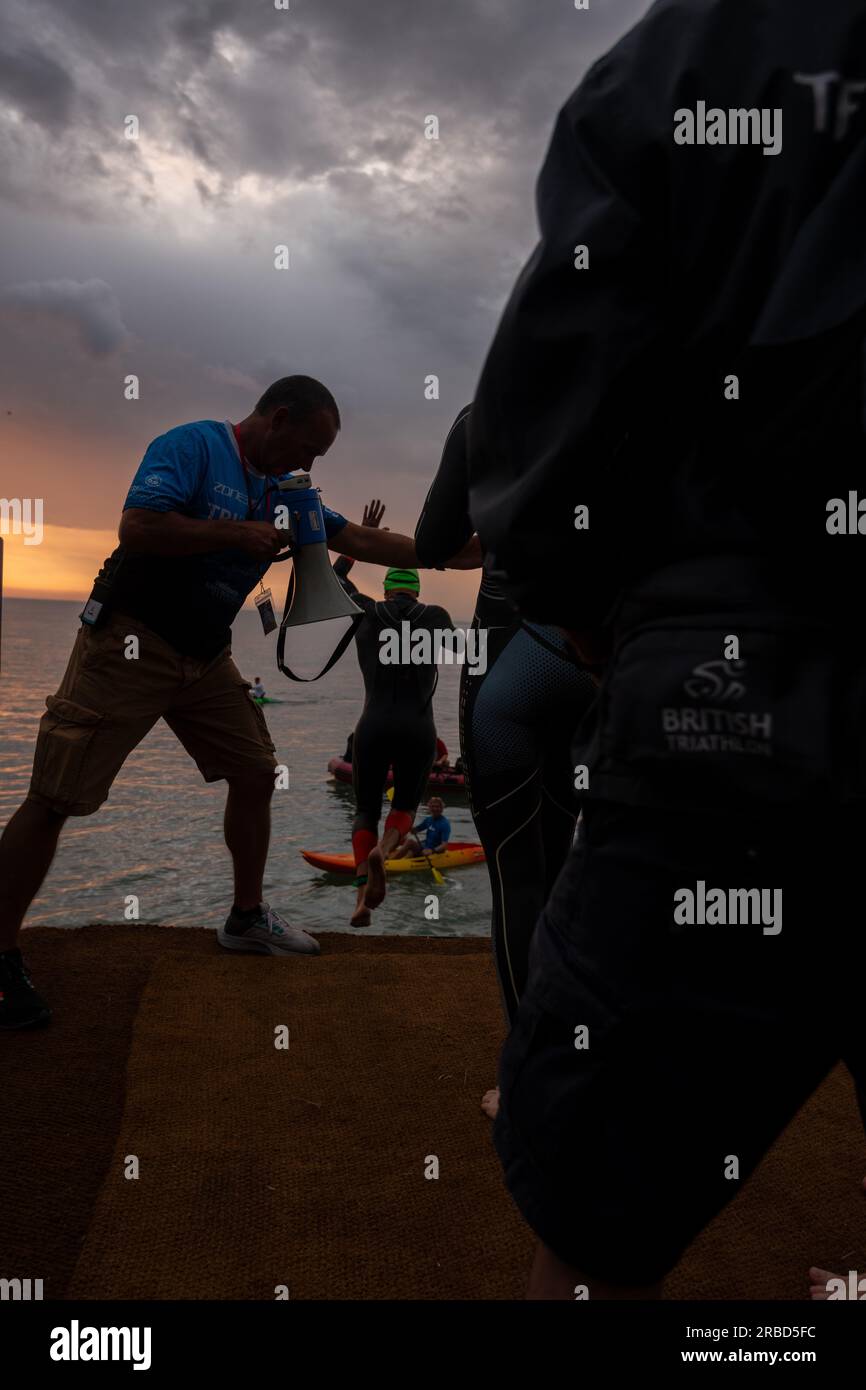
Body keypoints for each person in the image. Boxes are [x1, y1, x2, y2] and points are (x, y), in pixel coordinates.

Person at [467, 0, 866, 1299]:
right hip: (717, 675)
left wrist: (587, 604)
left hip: (730, 699)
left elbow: (559, 379)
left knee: (593, 1219)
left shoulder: (702, 43)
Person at [0, 378, 477, 1029]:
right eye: (307, 448)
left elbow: (366, 543)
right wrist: (235, 537)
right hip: (129, 640)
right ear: (277, 419)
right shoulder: (194, 446)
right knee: (55, 797)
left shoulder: (291, 493)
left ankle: (247, 918)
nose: (309, 467)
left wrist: (477, 553)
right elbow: (137, 526)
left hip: (206, 654)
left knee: (255, 773)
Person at [415, 405, 596, 1118]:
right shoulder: (650, 387)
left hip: (512, 655)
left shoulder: (488, 408)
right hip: (597, 657)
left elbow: (435, 542)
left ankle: (531, 1084)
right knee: (570, 869)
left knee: (519, 877)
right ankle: (591, 1057)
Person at [333, 530, 455, 927]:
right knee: (403, 806)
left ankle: (361, 903)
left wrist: (358, 544)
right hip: (418, 730)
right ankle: (384, 851)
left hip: (373, 727)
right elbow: (466, 653)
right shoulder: (435, 617)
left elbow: (333, 578)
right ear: (416, 591)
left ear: (386, 590)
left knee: (365, 811)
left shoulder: (367, 612)